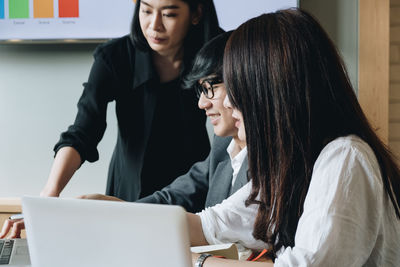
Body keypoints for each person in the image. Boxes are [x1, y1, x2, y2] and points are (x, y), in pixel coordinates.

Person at [187, 9, 400, 266]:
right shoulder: (292, 164)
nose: (229, 102)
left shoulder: (345, 157)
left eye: (237, 87)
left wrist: (199, 261)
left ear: (271, 90)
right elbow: (212, 224)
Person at [0, 32, 249, 238]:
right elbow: (175, 195)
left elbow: (212, 224)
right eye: (147, 9)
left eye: (210, 89)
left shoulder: (225, 50)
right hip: (144, 200)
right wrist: (106, 208)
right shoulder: (223, 145)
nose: (202, 104)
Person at [42, 0, 221, 202]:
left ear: (196, 13)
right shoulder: (115, 56)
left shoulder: (217, 53)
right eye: (146, 11)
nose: (154, 26)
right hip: (128, 189)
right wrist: (50, 192)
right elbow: (83, 131)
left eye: (169, 15)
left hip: (192, 186)